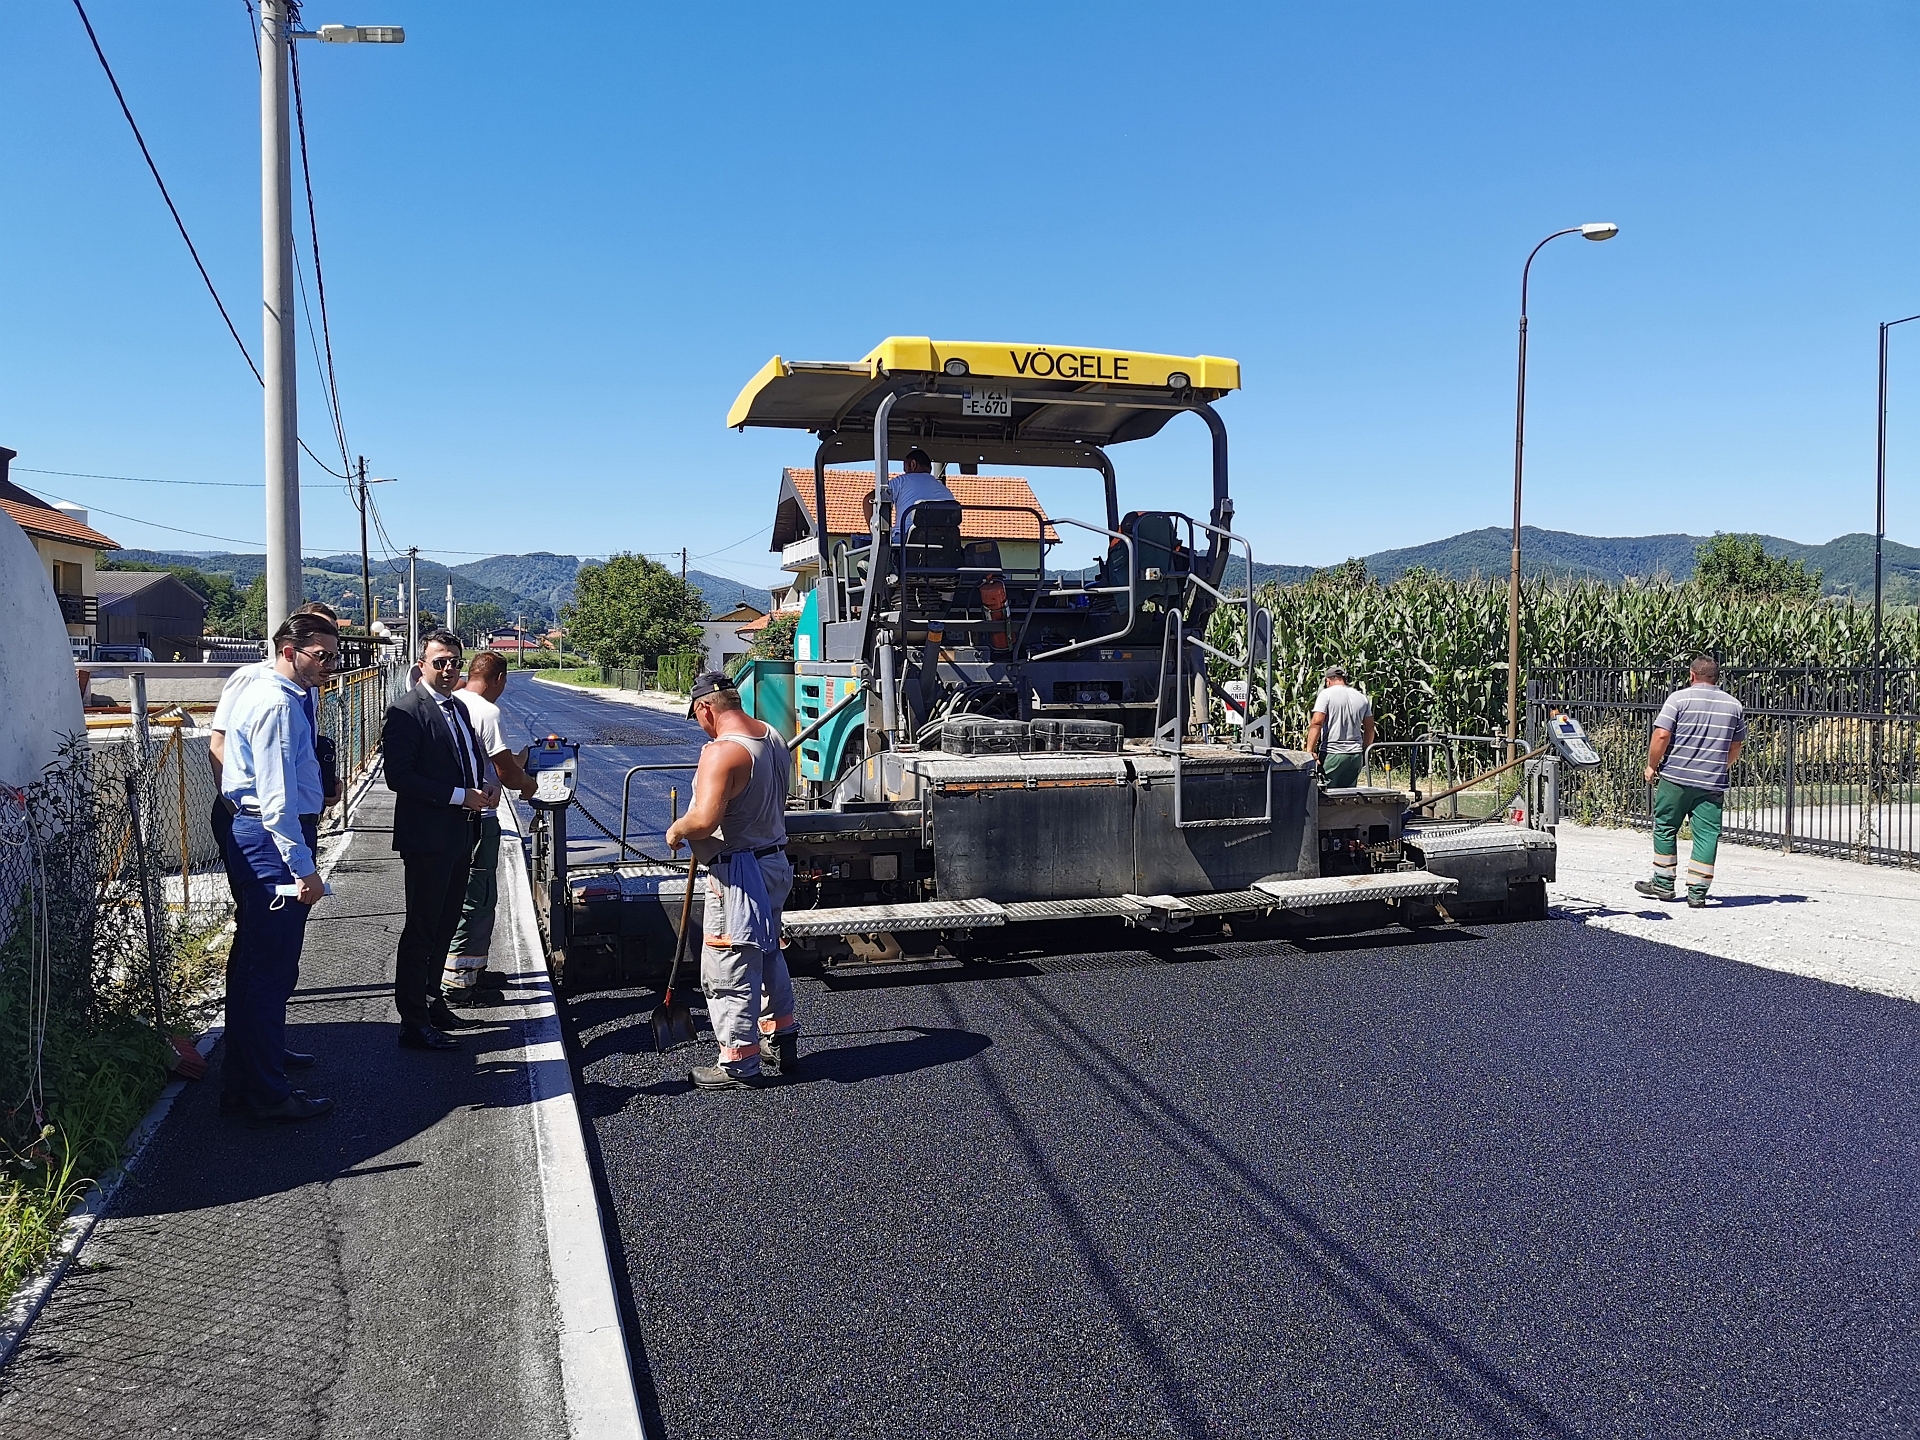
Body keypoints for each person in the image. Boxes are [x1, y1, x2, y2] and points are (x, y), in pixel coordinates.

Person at [216, 611, 339, 1123]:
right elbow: (276, 800)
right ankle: (265, 1093)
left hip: (264, 836)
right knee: (269, 969)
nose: (329, 666)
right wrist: (303, 868)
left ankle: (252, 1071)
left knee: (258, 967)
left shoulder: (286, 694)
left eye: (334, 655)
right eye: (322, 655)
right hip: (271, 843)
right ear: (290, 651)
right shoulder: (275, 704)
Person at [664, 672, 797, 1091]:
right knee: (769, 952)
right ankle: (781, 1036)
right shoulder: (772, 736)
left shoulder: (722, 752)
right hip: (774, 861)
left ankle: (738, 1062)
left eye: (699, 717)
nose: (701, 725)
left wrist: (678, 829)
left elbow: (705, 821)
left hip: (738, 873)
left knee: (730, 966)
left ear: (706, 708)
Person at [383, 630, 498, 1050]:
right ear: (422, 665)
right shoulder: (406, 712)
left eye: (454, 662)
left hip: (460, 831)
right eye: (440, 662)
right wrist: (458, 796)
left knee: (446, 922)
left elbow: (470, 757)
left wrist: (486, 782)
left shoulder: (458, 709)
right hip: (428, 836)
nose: (448, 669)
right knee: (423, 927)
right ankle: (412, 1020)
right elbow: (400, 777)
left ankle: (432, 1001)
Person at [209, 601, 342, 874]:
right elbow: (220, 745)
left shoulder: (307, 685)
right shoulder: (254, 680)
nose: (327, 662)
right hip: (254, 813)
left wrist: (321, 784)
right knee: (260, 907)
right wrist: (242, 811)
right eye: (320, 652)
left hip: (287, 816)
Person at [443, 650, 537, 1007]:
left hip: (455, 817)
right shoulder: (486, 710)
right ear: (499, 679)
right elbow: (505, 773)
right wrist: (528, 785)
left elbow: (493, 757)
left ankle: (473, 967)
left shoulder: (456, 701)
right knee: (477, 898)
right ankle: (459, 984)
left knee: (469, 895)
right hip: (479, 819)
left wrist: (521, 758)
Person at [1637, 655, 1746, 908]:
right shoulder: (1734, 705)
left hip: (1676, 778)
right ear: (1717, 678)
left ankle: (1663, 884)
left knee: (1665, 827)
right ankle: (1698, 892)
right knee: (1707, 836)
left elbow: (1662, 734)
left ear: (1692, 675)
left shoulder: (1678, 699)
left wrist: (1652, 766)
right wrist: (1719, 767)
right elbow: (1736, 745)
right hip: (1712, 783)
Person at [1304, 665, 1375, 788]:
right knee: (1348, 797)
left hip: (1332, 754)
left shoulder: (1326, 695)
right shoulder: (1361, 697)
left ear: (1328, 680)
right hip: (1355, 756)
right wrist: (1365, 750)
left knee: (1326, 796)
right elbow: (1370, 729)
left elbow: (1316, 722)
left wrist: (1309, 750)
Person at [888, 448, 957, 545]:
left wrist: (876, 533)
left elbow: (869, 499)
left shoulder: (901, 481)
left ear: (913, 464)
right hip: (942, 548)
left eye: (905, 469)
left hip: (905, 546)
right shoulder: (946, 491)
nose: (905, 472)